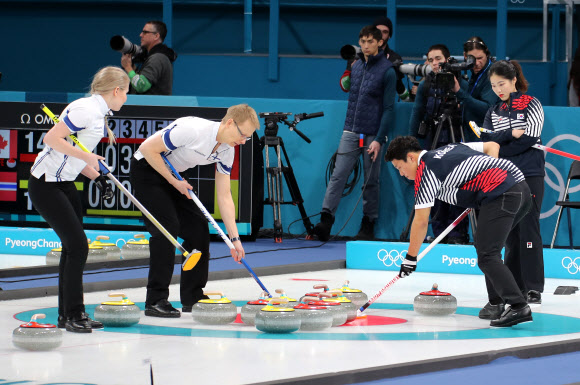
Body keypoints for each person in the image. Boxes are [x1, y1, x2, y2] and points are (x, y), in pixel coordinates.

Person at [385, 136, 533, 327]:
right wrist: (486, 178)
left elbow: (421, 221)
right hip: (521, 188)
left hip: (502, 193)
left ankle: (518, 305)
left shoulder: (426, 170)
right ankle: (497, 302)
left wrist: (411, 258)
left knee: (487, 254)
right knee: (485, 247)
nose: (402, 174)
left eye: (399, 168)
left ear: (412, 158)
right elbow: (492, 146)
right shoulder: (451, 147)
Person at [130, 104, 260, 317]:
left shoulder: (228, 150)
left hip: (174, 176)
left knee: (198, 230)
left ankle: (192, 297)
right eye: (242, 135)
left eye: (248, 138)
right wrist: (174, 182)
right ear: (229, 123)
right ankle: (155, 299)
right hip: (147, 170)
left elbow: (225, 196)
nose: (243, 141)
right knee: (167, 228)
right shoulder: (193, 129)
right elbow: (147, 149)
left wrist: (234, 239)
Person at [28, 67, 129, 333]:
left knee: (73, 248)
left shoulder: (96, 112)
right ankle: (72, 314)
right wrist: (89, 159)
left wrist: (97, 177)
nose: (126, 99)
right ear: (116, 90)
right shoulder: (86, 110)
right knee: (78, 246)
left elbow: (75, 152)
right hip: (46, 185)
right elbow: (51, 139)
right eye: (126, 93)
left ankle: (70, 313)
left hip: (65, 182)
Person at [316, 25, 396, 241]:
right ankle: (325, 221)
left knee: (371, 181)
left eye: (371, 41)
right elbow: (346, 88)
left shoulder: (388, 70)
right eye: (363, 41)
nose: (366, 45)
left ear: (380, 42)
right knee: (338, 175)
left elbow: (389, 109)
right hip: (351, 130)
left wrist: (379, 140)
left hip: (372, 135)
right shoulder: (357, 66)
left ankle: (368, 223)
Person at [480, 60, 545, 309]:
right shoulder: (493, 111)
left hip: (529, 173)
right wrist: (507, 135)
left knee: (529, 229)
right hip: (504, 177)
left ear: (513, 80)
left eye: (502, 83)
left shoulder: (531, 104)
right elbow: (487, 141)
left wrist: (501, 145)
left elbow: (529, 138)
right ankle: (514, 285)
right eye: (494, 85)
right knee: (510, 233)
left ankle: (533, 287)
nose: (498, 89)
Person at [408, 44, 469, 244]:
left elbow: (470, 107)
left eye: (438, 59)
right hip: (432, 141)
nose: (435, 63)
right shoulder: (426, 85)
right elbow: (416, 113)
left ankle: (457, 233)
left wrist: (457, 90)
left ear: (448, 60)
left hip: (455, 139)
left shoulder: (460, 82)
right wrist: (411, 144)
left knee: (457, 187)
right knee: (433, 189)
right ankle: (438, 233)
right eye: (431, 59)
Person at [452, 36, 499, 142]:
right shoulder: (475, 72)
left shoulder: (493, 74)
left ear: (487, 54)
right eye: (472, 59)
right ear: (465, 56)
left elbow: (487, 109)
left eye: (480, 58)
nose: (477, 63)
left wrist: (459, 92)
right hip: (473, 136)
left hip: (486, 139)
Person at [121, 20, 177, 95]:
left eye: (145, 32)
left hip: (151, 106)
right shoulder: (159, 57)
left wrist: (128, 68)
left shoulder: (157, 58)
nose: (140, 35)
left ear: (156, 36)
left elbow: (141, 86)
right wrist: (133, 70)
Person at [372, 16, 409, 101]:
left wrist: (410, 100)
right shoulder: (360, 55)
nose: (381, 35)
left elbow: (399, 87)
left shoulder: (395, 58)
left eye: (385, 32)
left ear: (389, 36)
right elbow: (345, 87)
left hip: (384, 106)